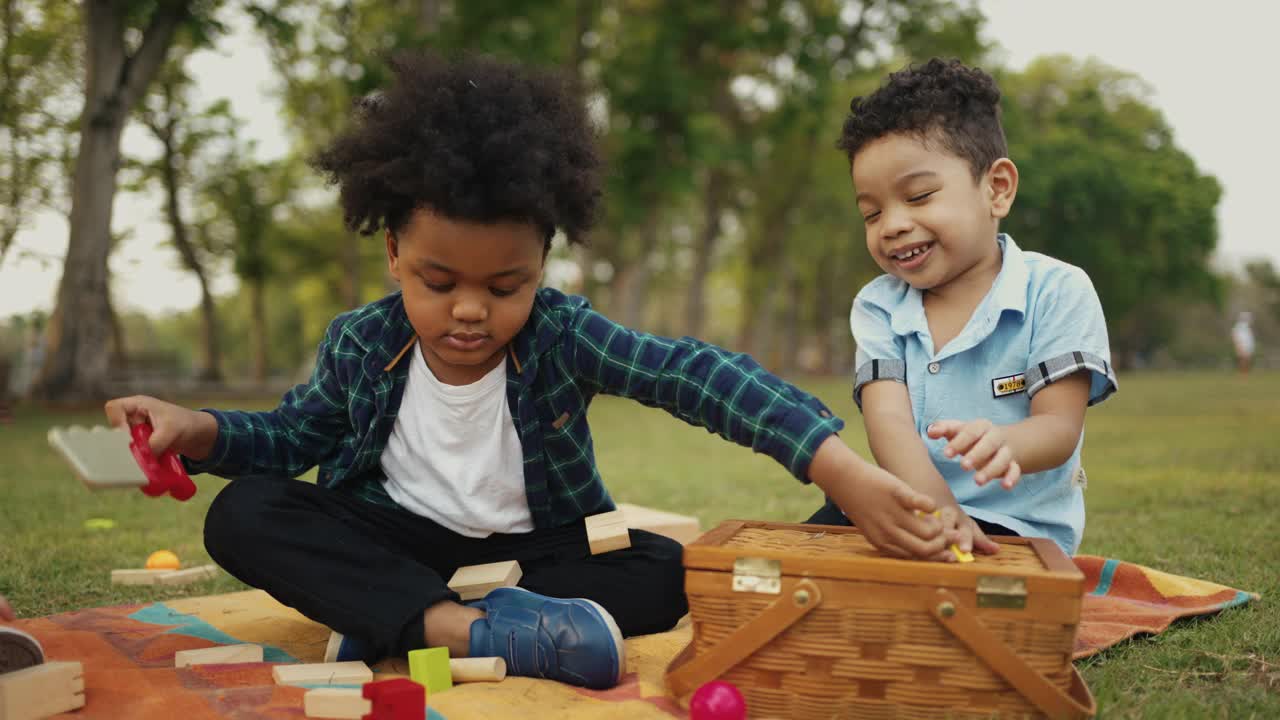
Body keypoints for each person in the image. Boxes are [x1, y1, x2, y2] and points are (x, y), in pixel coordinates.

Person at [103, 51, 946, 690]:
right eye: (441, 282)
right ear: (394, 253)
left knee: (674, 574)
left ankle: (395, 625)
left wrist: (839, 467)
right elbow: (291, 437)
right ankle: (450, 628)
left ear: (542, 264)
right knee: (244, 513)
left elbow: (697, 377)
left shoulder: (559, 334)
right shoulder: (361, 344)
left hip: (536, 558)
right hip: (401, 541)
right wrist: (202, 430)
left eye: (505, 286)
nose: (471, 310)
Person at [805, 58, 1118, 558]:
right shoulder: (879, 305)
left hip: (1012, 528)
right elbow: (888, 425)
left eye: (920, 196)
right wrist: (935, 510)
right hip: (912, 504)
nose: (893, 225)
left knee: (944, 606)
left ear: (996, 188)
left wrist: (1008, 443)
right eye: (872, 212)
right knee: (794, 566)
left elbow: (1059, 428)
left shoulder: (1056, 290)